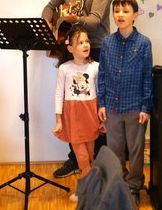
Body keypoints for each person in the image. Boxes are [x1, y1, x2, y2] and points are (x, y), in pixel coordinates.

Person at [42, 0, 114, 178]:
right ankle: (76, 159)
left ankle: (99, 163)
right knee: (71, 105)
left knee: (95, 107)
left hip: (97, 49)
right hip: (69, 48)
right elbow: (51, 6)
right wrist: (47, 21)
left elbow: (94, 20)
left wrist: (75, 19)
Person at [97, 0, 153, 208]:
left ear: (135, 16)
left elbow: (147, 77)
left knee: (137, 151)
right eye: (117, 11)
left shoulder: (144, 43)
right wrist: (101, 103)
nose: (120, 15)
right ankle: (118, 185)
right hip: (112, 106)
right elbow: (102, 75)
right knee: (115, 150)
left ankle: (134, 186)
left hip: (135, 107)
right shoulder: (107, 42)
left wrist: (146, 106)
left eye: (125, 11)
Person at [52, 25, 101, 202]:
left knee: (90, 155)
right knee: (81, 157)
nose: (85, 45)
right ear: (70, 48)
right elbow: (59, 94)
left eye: (87, 41)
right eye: (80, 42)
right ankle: (86, 191)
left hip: (90, 115)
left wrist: (102, 117)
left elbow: (100, 93)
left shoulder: (96, 67)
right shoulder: (64, 69)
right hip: (72, 116)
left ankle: (93, 187)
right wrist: (59, 120)